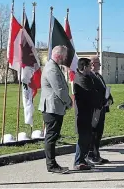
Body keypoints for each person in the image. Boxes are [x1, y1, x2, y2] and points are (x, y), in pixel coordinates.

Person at [38, 45, 72, 174]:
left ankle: (52, 163)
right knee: (51, 136)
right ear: (59, 55)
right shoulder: (52, 68)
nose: (65, 58)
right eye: (64, 56)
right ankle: (51, 164)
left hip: (55, 107)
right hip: (51, 108)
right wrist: (69, 102)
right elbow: (59, 89)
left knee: (53, 135)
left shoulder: (54, 66)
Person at [87, 56, 113, 165]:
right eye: (98, 63)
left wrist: (110, 99)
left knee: (99, 132)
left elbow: (104, 90)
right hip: (94, 109)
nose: (100, 65)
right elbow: (93, 93)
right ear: (92, 64)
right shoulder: (89, 77)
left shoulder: (99, 76)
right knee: (93, 132)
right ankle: (91, 154)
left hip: (102, 108)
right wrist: (102, 101)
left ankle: (97, 154)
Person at [73, 58, 96, 170]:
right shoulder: (80, 78)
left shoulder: (87, 77)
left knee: (87, 137)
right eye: (89, 65)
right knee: (83, 137)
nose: (91, 68)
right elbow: (89, 94)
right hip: (82, 113)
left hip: (88, 111)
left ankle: (83, 160)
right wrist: (99, 100)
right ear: (85, 66)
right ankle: (78, 162)